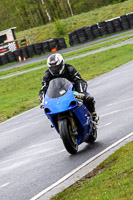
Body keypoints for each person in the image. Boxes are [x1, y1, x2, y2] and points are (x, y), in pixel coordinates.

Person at [39, 53, 99, 123]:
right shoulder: (47, 75)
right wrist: (43, 101)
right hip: (57, 95)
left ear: (62, 64)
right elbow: (44, 88)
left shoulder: (70, 69)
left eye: (57, 67)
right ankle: (55, 121)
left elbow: (79, 80)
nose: (55, 69)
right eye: (53, 68)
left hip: (74, 91)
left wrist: (81, 92)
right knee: (47, 108)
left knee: (88, 98)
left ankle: (93, 114)